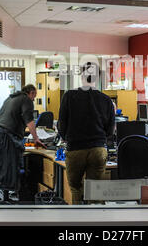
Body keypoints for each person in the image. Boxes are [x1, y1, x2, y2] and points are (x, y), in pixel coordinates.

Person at [58, 62, 115, 204]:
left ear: (82, 75)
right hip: (98, 149)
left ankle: (78, 219)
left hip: (75, 148)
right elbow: (110, 129)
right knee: (95, 189)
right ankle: (95, 220)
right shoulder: (106, 100)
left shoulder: (69, 96)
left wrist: (66, 137)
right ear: (97, 78)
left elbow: (61, 124)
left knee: (76, 187)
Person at [0, 84, 46, 200]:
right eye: (34, 96)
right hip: (5, 136)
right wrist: (36, 138)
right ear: (31, 93)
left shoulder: (10, 98)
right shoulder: (26, 99)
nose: (33, 99)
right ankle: (8, 197)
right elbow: (29, 120)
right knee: (10, 166)